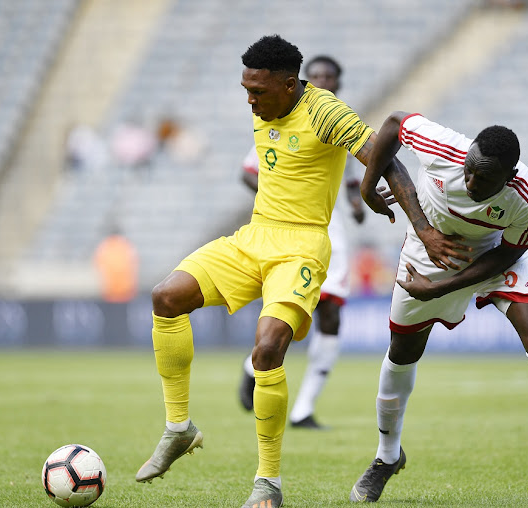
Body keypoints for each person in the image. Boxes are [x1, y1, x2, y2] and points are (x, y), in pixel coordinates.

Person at [134, 35, 405, 508]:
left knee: (266, 349)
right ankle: (179, 428)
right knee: (166, 297)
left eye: (257, 91)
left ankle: (268, 483)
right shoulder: (265, 108)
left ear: (287, 84)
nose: (249, 100)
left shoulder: (325, 111)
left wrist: (414, 219)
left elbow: (382, 152)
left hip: (302, 248)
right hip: (255, 236)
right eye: (246, 90)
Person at [349, 111, 528, 506]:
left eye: (483, 179)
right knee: (401, 353)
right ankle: (387, 457)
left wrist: (444, 289)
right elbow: (394, 123)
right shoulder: (443, 147)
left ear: (510, 175)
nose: (470, 182)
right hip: (427, 252)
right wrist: (371, 191)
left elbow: (509, 254)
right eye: (468, 170)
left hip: (493, 256)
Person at [236, 55, 366, 430]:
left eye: (330, 76)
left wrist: (357, 205)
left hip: (335, 240)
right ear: (300, 82)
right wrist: (284, 198)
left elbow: (352, 179)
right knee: (296, 315)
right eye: (316, 76)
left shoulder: (340, 120)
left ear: (339, 84)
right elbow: (249, 171)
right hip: (294, 236)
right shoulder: (283, 117)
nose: (323, 81)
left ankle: (303, 409)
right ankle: (253, 363)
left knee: (331, 315)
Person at [92, 226, 139, 303]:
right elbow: (134, 267)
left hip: (109, 292)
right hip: (125, 291)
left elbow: (99, 268)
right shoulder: (127, 246)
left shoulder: (103, 247)